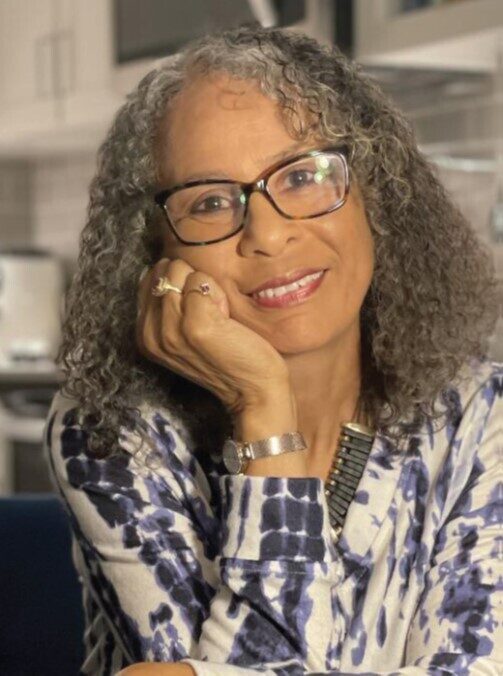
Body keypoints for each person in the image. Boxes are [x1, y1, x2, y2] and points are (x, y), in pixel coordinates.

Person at [43, 23, 502, 676]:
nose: (266, 234)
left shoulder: (485, 416)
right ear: (156, 251)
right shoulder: (111, 432)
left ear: (376, 195)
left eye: (302, 177)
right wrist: (263, 408)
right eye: (208, 201)